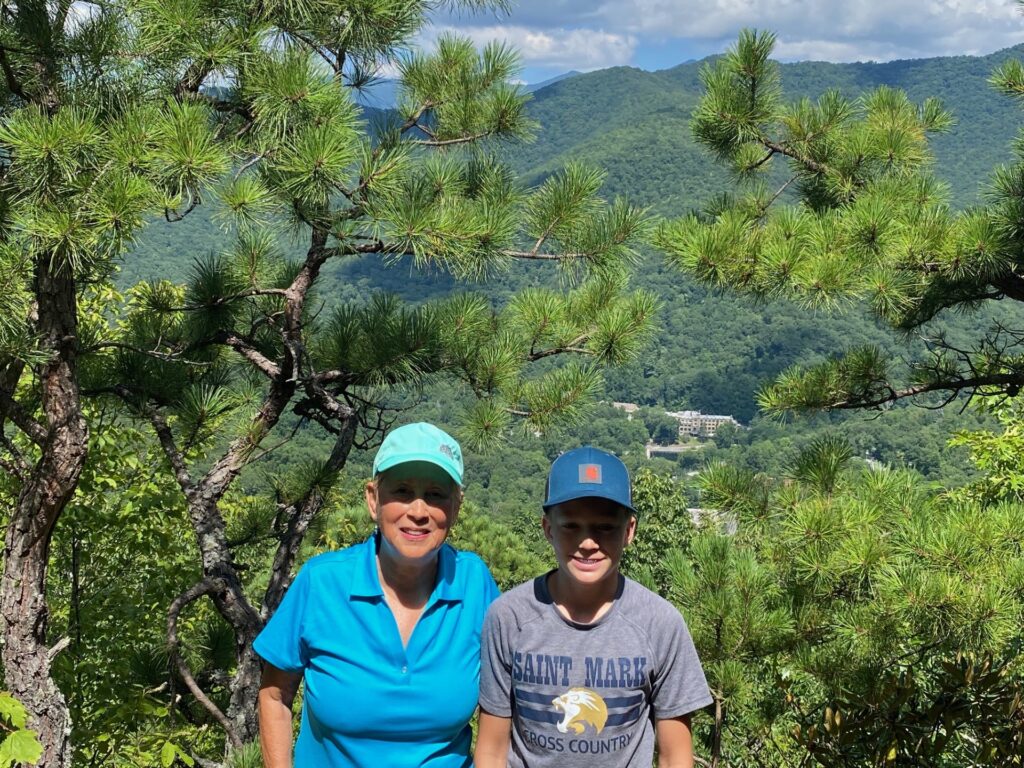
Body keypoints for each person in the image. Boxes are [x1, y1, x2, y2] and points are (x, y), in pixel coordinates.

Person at [254, 422, 499, 768]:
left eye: (435, 495)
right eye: (401, 491)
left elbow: (502, 704)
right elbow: (275, 694)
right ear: (373, 499)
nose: (418, 511)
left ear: (455, 507)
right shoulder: (322, 583)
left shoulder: (474, 584)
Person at [474, 445, 712, 768]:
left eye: (605, 527)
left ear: (629, 531)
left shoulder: (660, 624)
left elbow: (675, 756)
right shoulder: (508, 617)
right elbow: (491, 751)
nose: (588, 543)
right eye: (571, 526)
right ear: (548, 529)